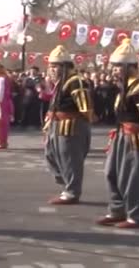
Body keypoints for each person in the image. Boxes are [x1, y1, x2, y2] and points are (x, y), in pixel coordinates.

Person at [97, 39, 139, 228]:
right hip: (120, 136)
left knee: (136, 178)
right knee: (112, 172)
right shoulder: (124, 88)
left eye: (118, 67)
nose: (115, 70)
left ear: (130, 67)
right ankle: (117, 210)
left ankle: (137, 216)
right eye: (114, 67)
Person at [43, 45, 93, 204]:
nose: (51, 70)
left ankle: (72, 191)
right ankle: (67, 183)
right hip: (56, 124)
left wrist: (80, 124)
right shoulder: (60, 82)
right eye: (50, 66)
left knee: (70, 159)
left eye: (54, 66)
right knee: (50, 154)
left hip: (71, 125)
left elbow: (85, 108)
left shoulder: (76, 81)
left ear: (64, 67)